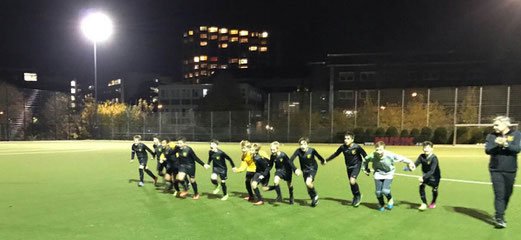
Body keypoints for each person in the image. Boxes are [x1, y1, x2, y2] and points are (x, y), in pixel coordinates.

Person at [485, 116, 521, 228]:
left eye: (497, 124)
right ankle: (499, 217)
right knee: (499, 194)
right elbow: (488, 150)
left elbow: (517, 149)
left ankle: (500, 212)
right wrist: (497, 144)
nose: (494, 127)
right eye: (494, 124)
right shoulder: (491, 136)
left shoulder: (516, 134)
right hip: (495, 170)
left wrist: (505, 144)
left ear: (506, 125)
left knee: (508, 193)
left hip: (510, 169)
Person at [362, 141, 415, 211]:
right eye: (377, 150)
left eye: (381, 150)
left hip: (389, 173)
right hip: (378, 173)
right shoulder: (372, 155)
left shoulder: (389, 155)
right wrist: (364, 168)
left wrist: (410, 162)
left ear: (384, 149)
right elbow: (365, 160)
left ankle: (390, 199)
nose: (378, 152)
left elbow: (401, 158)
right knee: (378, 192)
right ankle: (381, 204)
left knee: (385, 191)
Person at [325, 131, 367, 207]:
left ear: (352, 140)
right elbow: (336, 154)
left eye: (348, 139)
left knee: (352, 180)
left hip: (357, 165)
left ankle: (358, 195)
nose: (346, 140)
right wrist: (327, 160)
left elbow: (365, 156)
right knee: (351, 183)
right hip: (348, 166)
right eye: (345, 138)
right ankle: (355, 196)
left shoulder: (357, 147)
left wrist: (366, 167)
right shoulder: (342, 147)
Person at [289, 137, 325, 207]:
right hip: (304, 170)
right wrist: (295, 169)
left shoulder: (312, 150)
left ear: (308, 144)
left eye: (304, 144)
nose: (302, 146)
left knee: (308, 182)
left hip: (312, 168)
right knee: (308, 186)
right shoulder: (298, 151)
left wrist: (323, 161)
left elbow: (318, 156)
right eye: (301, 144)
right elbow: (290, 160)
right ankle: (313, 199)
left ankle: (315, 196)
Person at [414, 141, 441, 211]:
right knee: (421, 185)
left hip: (435, 177)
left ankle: (433, 201)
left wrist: (423, 177)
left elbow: (432, 171)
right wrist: (409, 167)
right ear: (423, 148)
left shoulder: (434, 158)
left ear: (432, 149)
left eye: (428, 148)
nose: (426, 149)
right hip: (426, 175)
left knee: (434, 189)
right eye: (425, 147)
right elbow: (416, 164)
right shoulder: (421, 156)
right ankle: (424, 203)